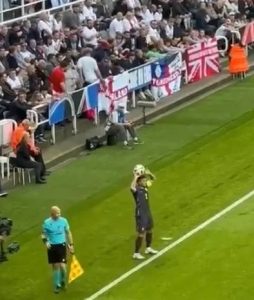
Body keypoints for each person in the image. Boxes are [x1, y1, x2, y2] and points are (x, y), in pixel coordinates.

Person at [41, 206, 74, 293]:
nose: (59, 214)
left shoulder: (64, 221)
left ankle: (63, 280)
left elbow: (68, 232)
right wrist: (46, 242)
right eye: (57, 213)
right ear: (52, 214)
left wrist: (71, 244)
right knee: (55, 266)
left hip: (61, 245)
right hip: (52, 246)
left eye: (59, 212)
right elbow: (43, 234)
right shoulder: (47, 223)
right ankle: (57, 285)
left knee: (63, 267)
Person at [130, 171, 158, 260]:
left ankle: (148, 248)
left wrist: (149, 173)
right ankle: (136, 253)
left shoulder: (145, 187)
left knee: (149, 230)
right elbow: (131, 187)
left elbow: (153, 178)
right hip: (141, 214)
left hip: (147, 213)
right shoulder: (136, 190)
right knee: (141, 234)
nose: (145, 181)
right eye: (143, 180)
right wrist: (135, 177)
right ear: (139, 182)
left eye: (145, 180)